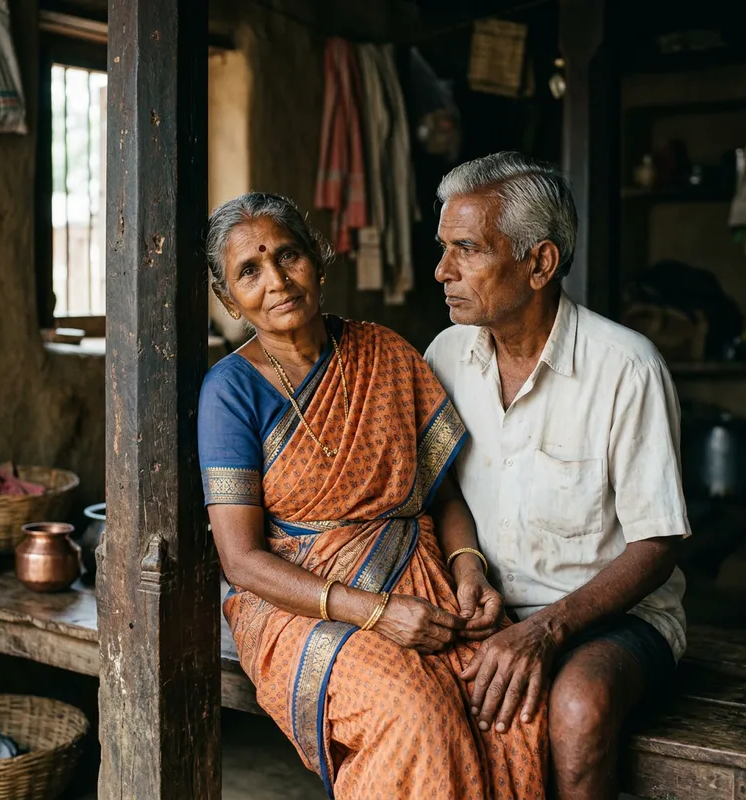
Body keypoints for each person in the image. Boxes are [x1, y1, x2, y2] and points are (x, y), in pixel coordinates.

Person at [198, 192, 548, 799]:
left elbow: (441, 498)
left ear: (320, 260)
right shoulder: (229, 391)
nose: (277, 281)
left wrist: (469, 571)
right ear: (228, 298)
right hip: (299, 603)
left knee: (512, 706)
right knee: (416, 715)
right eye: (249, 272)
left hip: (422, 578)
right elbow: (241, 562)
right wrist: (377, 613)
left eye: (289, 256)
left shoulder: (382, 351)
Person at [424, 152, 689, 800]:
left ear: (540, 263)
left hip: (610, 616)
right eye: (443, 248)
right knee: (405, 693)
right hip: (483, 604)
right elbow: (440, 489)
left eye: (467, 250)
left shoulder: (626, 368)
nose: (442, 272)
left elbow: (657, 545)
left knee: (578, 707)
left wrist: (546, 630)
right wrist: (468, 572)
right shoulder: (444, 355)